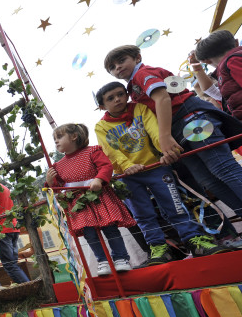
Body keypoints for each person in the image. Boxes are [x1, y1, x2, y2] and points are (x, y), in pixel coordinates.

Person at [95, 82, 230, 264]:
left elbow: (155, 130)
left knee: (174, 205)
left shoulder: (140, 109)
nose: (117, 99)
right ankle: (158, 248)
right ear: (102, 106)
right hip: (127, 175)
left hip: (156, 167)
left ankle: (194, 240)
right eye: (110, 98)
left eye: (120, 94)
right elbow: (110, 150)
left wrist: (165, 151)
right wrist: (127, 166)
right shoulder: (101, 126)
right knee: (142, 214)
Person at [104, 44, 242, 220]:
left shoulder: (143, 73)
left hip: (191, 119)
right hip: (177, 131)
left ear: (137, 58)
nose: (118, 67)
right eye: (112, 67)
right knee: (208, 180)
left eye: (122, 61)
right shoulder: (133, 88)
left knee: (223, 168)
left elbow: (162, 98)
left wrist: (164, 137)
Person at [46, 123, 135, 275]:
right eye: (55, 139)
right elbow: (57, 187)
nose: (56, 141)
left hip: (99, 197)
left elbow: (106, 167)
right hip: (78, 204)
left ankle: (121, 258)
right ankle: (102, 261)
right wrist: (49, 181)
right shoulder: (57, 166)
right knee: (89, 233)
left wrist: (99, 179)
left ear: (74, 136)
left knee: (110, 228)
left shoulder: (93, 151)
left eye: (59, 137)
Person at [0, 173, 30, 284]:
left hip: (2, 229)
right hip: (12, 227)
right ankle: (28, 286)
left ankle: (29, 288)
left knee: (9, 265)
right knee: (13, 264)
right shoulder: (4, 187)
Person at [194, 30, 242, 120]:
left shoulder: (232, 61)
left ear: (206, 61)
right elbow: (214, 92)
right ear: (236, 42)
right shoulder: (229, 65)